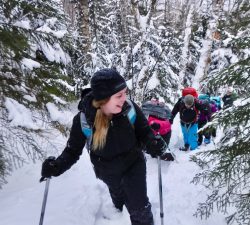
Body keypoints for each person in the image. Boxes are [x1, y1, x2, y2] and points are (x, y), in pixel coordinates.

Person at [41, 68, 165, 225]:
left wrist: (153, 143)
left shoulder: (129, 108)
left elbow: (145, 132)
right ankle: (118, 207)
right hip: (107, 171)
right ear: (104, 99)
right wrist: (57, 166)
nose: (124, 99)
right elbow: (72, 151)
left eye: (125, 93)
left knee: (139, 207)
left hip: (134, 164)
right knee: (117, 196)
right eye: (119, 95)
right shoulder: (84, 120)